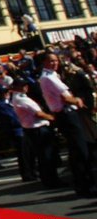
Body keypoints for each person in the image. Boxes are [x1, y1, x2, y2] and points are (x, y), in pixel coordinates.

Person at [38, 51, 97, 197]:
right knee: (81, 150)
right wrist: (78, 100)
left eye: (56, 60)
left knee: (77, 150)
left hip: (65, 114)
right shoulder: (49, 78)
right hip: (67, 114)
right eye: (51, 61)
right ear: (44, 62)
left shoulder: (50, 76)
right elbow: (67, 98)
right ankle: (85, 185)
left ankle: (83, 184)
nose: (55, 63)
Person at [10, 78, 59, 187]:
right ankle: (51, 180)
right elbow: (38, 114)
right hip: (37, 128)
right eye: (23, 86)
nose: (26, 87)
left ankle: (49, 179)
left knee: (43, 156)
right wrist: (52, 118)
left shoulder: (19, 98)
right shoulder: (20, 99)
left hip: (34, 128)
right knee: (46, 156)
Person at [0, 87, 28, 180]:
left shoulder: (6, 104)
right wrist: (23, 122)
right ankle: (27, 173)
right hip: (16, 131)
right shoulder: (1, 106)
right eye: (5, 92)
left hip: (19, 130)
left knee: (26, 153)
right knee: (23, 154)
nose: (7, 94)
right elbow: (12, 119)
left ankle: (30, 171)